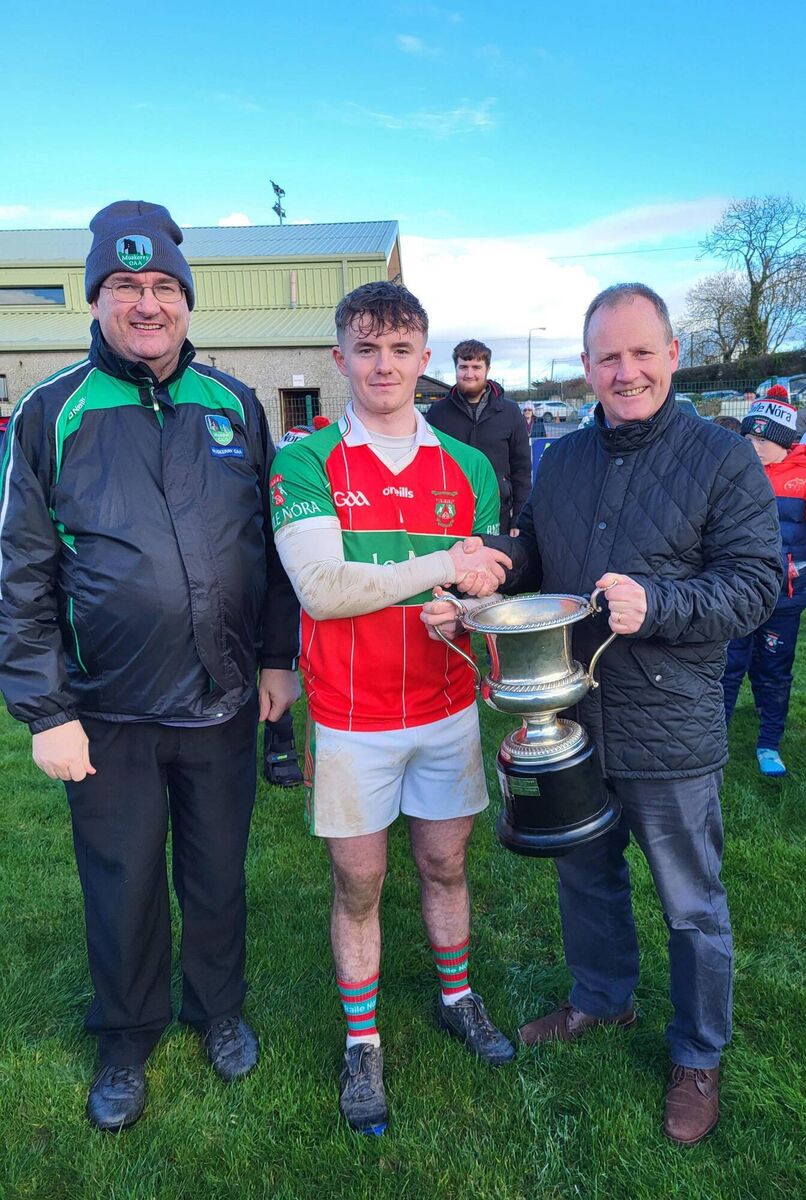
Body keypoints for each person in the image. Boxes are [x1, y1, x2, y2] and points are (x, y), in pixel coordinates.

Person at [424, 282, 781, 1146]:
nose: (626, 372)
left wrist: (656, 603)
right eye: (608, 357)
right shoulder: (568, 459)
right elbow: (538, 551)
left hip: (672, 722)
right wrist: (490, 571)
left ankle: (698, 1053)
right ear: (586, 367)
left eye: (641, 353)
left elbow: (757, 584)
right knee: (585, 873)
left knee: (690, 902)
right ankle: (601, 1000)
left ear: (672, 355)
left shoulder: (723, 457)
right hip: (577, 714)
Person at [0, 201, 301, 1131]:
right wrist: (45, 711)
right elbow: (21, 570)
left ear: (185, 299)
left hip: (219, 698)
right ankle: (127, 1034)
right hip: (107, 711)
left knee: (216, 874)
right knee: (124, 879)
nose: (146, 303)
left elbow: (274, 541)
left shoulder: (233, 405)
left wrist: (276, 659)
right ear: (95, 301)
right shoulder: (53, 414)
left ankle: (218, 1010)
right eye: (125, 286)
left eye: (163, 286)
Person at [270, 282, 515, 1136]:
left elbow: (481, 586)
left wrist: (471, 603)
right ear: (340, 359)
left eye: (401, 349)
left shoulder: (468, 466)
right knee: (359, 880)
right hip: (349, 714)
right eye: (366, 349)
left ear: (425, 360)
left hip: (446, 708)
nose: (384, 366)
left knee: (446, 865)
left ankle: (457, 996)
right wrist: (440, 566)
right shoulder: (304, 461)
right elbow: (324, 588)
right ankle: (362, 1041)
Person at [723, 397, 806, 776]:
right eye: (749, 439)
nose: (754, 448)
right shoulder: (733, 475)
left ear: (784, 441)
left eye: (764, 441)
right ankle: (715, 741)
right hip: (735, 596)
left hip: (783, 598)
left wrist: (797, 565)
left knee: (774, 670)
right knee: (726, 668)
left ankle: (769, 743)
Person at [262, 414, 332, 788]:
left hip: (318, 569)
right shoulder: (283, 462)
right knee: (279, 652)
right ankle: (279, 740)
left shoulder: (328, 462)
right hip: (275, 571)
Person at [425, 339, 531, 533]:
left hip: (498, 513)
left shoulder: (510, 412)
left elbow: (522, 470)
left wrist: (519, 518)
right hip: (448, 512)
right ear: (455, 368)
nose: (469, 374)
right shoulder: (437, 413)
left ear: (487, 369)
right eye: (463, 367)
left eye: (476, 367)